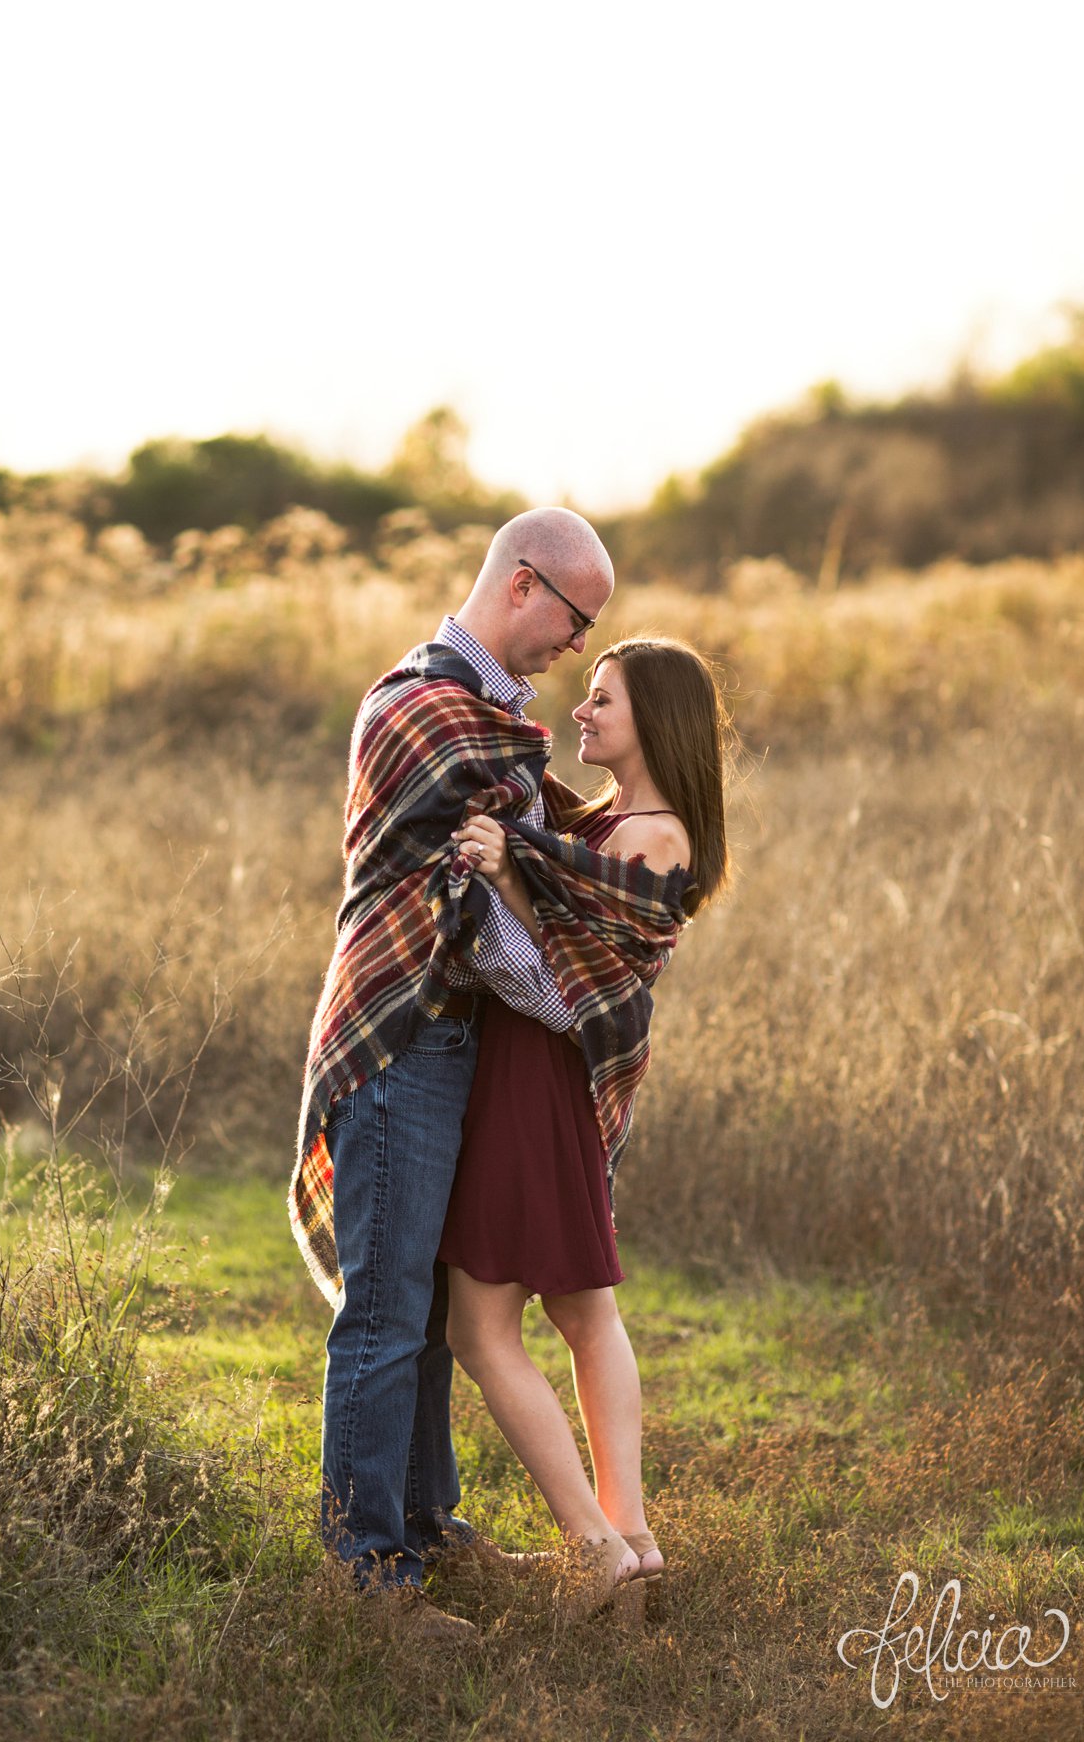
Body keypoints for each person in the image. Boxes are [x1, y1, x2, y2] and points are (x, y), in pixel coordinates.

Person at [289, 508, 615, 1643]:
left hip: (456, 1040)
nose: (578, 648)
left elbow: (543, 850)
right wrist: (571, 999)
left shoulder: (495, 726)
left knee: (422, 1309)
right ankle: (368, 1578)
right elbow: (508, 885)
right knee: (383, 1312)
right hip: (397, 1036)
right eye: (579, 620)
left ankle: (425, 1522)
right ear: (525, 585)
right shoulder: (418, 704)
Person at [438, 637, 733, 1615]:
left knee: (480, 1328)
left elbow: (572, 985)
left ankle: (595, 1542)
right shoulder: (612, 822)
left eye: (602, 698)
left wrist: (508, 860)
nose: (582, 710)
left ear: (655, 717)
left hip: (540, 1083)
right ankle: (635, 1541)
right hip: (545, 1083)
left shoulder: (654, 839)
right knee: (578, 1311)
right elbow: (555, 921)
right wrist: (514, 856)